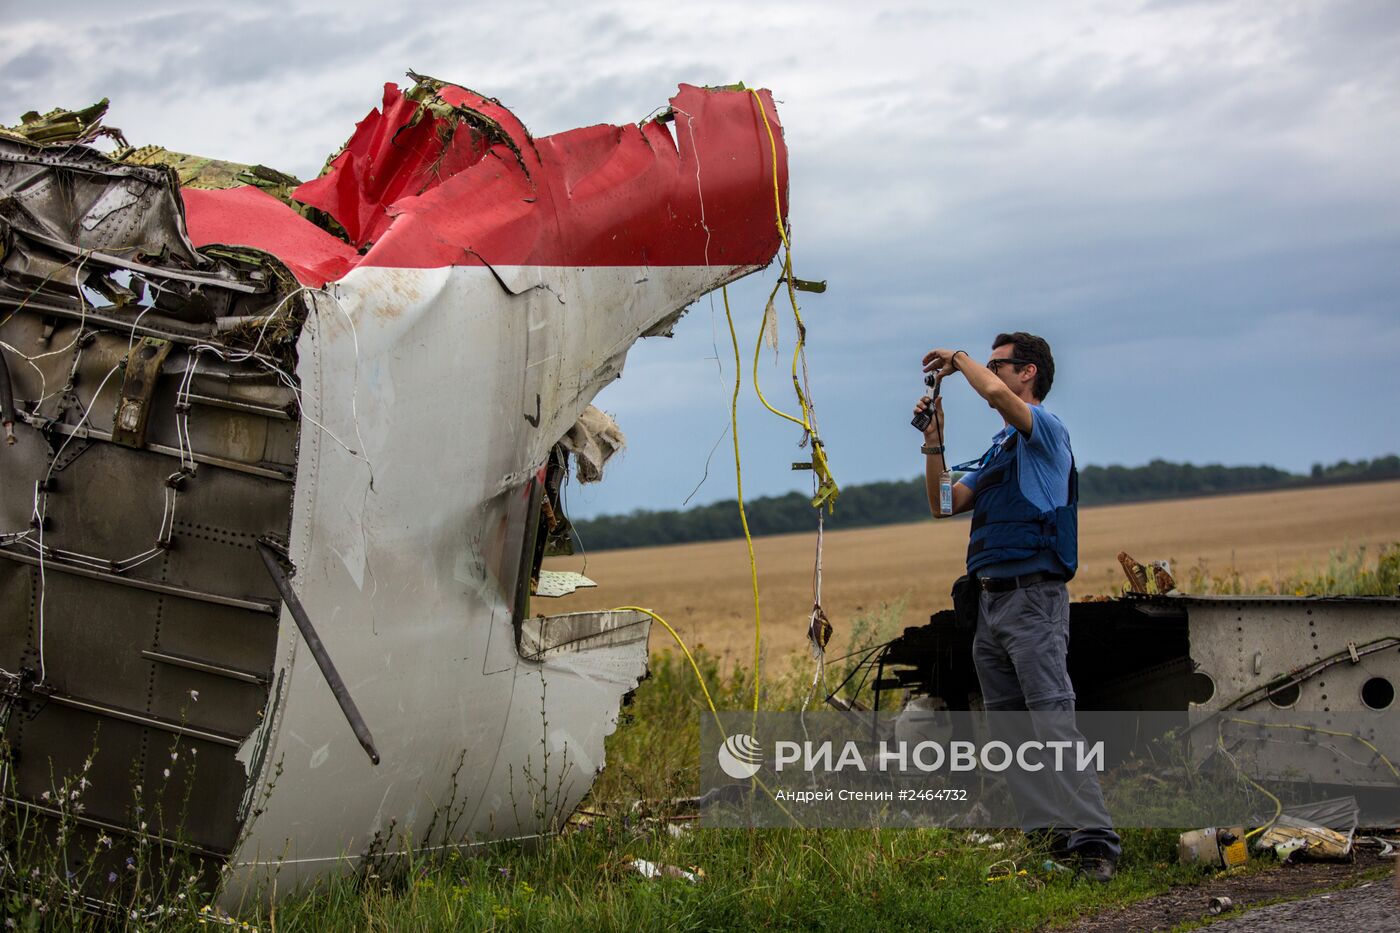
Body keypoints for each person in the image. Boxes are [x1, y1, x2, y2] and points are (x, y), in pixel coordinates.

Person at [913, 332, 1122, 882]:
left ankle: (1095, 843)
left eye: (997, 364)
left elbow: (998, 399)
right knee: (1010, 732)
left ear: (1027, 372)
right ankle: (1048, 838)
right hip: (989, 604)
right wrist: (934, 442)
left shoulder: (1045, 431)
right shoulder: (1000, 449)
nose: (989, 371)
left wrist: (957, 359)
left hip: (1034, 598)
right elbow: (942, 504)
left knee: (1053, 721)